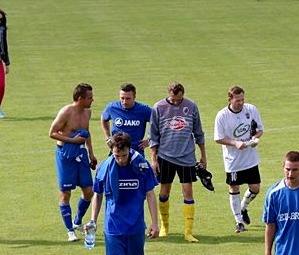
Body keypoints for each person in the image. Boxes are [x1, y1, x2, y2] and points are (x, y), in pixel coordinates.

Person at [85, 132, 159, 255]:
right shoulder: (105, 168)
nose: (120, 159)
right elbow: (98, 195)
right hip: (113, 229)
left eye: (123, 155)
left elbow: (150, 194)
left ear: (129, 150)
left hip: (135, 227)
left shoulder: (141, 166)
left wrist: (154, 223)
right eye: (117, 156)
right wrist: (93, 220)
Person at [148, 82, 207, 242]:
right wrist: (154, 159)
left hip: (187, 157)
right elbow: (153, 135)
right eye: (173, 99)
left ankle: (188, 232)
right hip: (165, 156)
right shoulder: (158, 107)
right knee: (164, 192)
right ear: (169, 94)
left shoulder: (191, 106)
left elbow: (198, 132)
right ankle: (164, 227)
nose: (176, 102)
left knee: (188, 192)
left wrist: (203, 156)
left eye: (179, 99)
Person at [49, 83, 98, 242]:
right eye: (90, 97)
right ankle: (70, 230)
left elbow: (87, 132)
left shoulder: (87, 112)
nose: (92, 100)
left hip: (81, 154)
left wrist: (91, 153)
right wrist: (72, 140)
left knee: (89, 191)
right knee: (65, 193)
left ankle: (77, 221)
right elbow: (52, 133)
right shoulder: (66, 112)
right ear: (80, 98)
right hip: (65, 155)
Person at [213, 85, 264, 233]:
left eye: (242, 99)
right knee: (234, 187)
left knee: (255, 188)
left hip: (250, 158)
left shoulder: (251, 109)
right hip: (233, 161)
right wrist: (235, 143)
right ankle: (238, 221)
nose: (241, 103)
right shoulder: (222, 116)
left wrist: (254, 139)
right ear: (230, 99)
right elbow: (218, 138)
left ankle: (243, 208)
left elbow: (260, 129)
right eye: (237, 100)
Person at [101, 83, 151, 157]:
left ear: (134, 97)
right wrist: (107, 137)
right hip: (117, 151)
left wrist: (150, 140)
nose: (124, 102)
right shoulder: (112, 108)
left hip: (136, 151)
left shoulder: (144, 110)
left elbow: (158, 123)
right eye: (122, 98)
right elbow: (104, 118)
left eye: (128, 98)